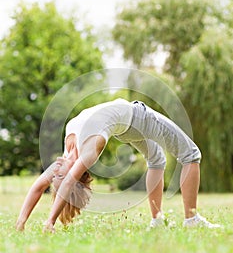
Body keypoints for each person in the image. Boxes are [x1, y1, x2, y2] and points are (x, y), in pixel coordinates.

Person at [16, 98, 220, 232]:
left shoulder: (65, 158)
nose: (56, 174)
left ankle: (157, 221)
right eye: (59, 179)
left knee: (156, 160)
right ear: (76, 179)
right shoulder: (88, 153)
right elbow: (68, 181)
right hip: (137, 117)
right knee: (191, 154)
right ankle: (191, 219)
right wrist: (50, 221)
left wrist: (21, 222)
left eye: (56, 179)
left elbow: (38, 186)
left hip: (125, 126)